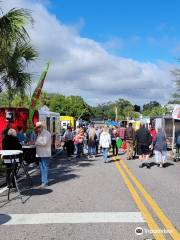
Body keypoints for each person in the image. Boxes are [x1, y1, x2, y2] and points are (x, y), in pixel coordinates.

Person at [35, 122, 51, 188]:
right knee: (42, 168)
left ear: (41, 127)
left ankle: (45, 182)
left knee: (44, 168)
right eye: (37, 128)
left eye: (38, 128)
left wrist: (35, 142)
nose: (37, 129)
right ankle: (43, 182)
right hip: (41, 153)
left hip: (45, 153)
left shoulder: (46, 133)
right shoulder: (40, 133)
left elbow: (44, 143)